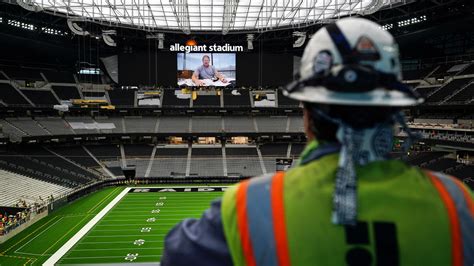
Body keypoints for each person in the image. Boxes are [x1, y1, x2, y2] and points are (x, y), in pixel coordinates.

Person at [161, 18, 474, 266]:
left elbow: (179, 254)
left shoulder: (247, 208)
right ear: (394, 111)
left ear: (306, 113)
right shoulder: (458, 203)